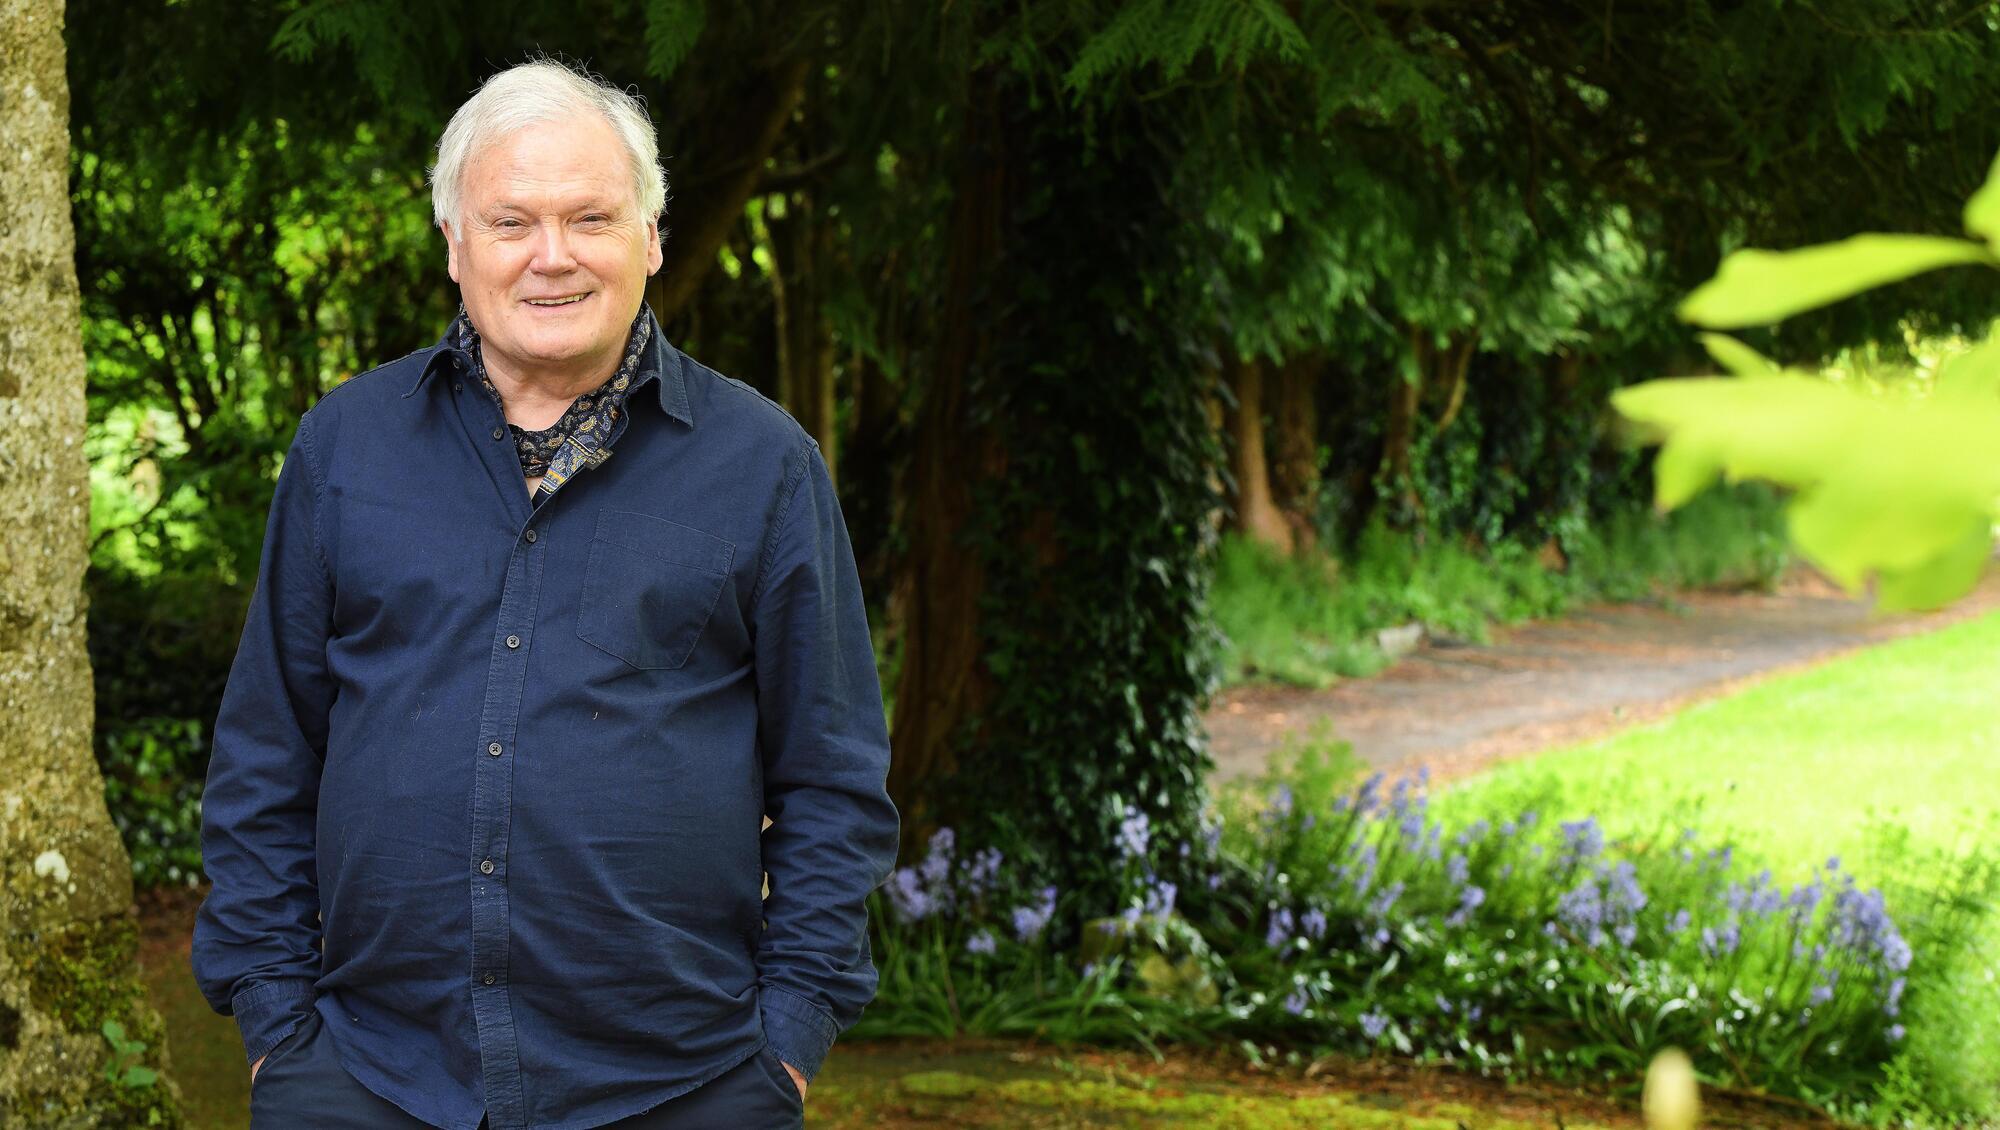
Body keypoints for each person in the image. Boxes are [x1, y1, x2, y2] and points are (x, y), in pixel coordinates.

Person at [191, 58, 899, 1130]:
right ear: (455, 245)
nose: (552, 254)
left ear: (650, 237)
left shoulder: (764, 467)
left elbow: (833, 781)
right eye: (512, 221)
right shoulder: (345, 447)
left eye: (590, 218)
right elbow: (265, 751)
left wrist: (785, 1045)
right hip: (368, 1078)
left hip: (687, 1084)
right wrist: (276, 1029)